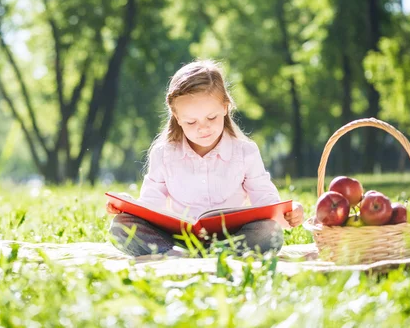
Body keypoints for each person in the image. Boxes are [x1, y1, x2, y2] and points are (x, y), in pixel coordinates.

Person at [107, 59, 304, 257]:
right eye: (191, 122)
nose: (203, 128)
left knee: (269, 232)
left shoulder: (245, 152)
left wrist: (289, 212)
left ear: (225, 108)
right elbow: (151, 204)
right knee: (121, 227)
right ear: (177, 117)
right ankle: (180, 254)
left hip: (231, 237)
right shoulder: (164, 153)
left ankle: (211, 254)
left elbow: (265, 201)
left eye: (211, 118)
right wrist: (129, 207)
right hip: (178, 239)